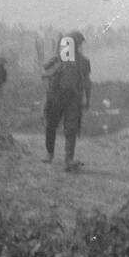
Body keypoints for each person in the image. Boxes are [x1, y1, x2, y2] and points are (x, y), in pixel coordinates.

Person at [42, 32, 91, 172]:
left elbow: (87, 82)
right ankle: (50, 153)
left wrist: (87, 98)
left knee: (71, 129)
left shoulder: (83, 62)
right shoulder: (59, 58)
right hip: (56, 97)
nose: (77, 46)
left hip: (72, 98)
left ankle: (68, 159)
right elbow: (44, 71)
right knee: (51, 125)